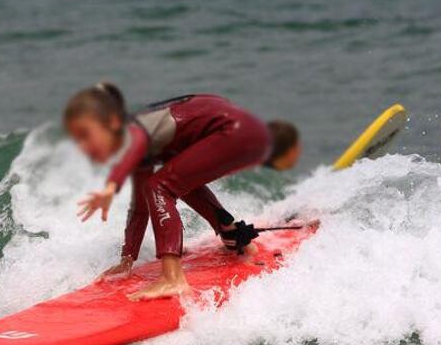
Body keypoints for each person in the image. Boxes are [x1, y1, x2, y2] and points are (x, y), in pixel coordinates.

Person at [64, 83, 301, 300]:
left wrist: (111, 186)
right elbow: (140, 207)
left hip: (236, 132)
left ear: (113, 122)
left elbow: (136, 148)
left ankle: (172, 279)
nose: (83, 146)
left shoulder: (136, 130)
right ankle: (234, 237)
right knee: (174, 179)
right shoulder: (142, 144)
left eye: (86, 134)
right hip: (246, 132)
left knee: (159, 186)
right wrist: (127, 259)